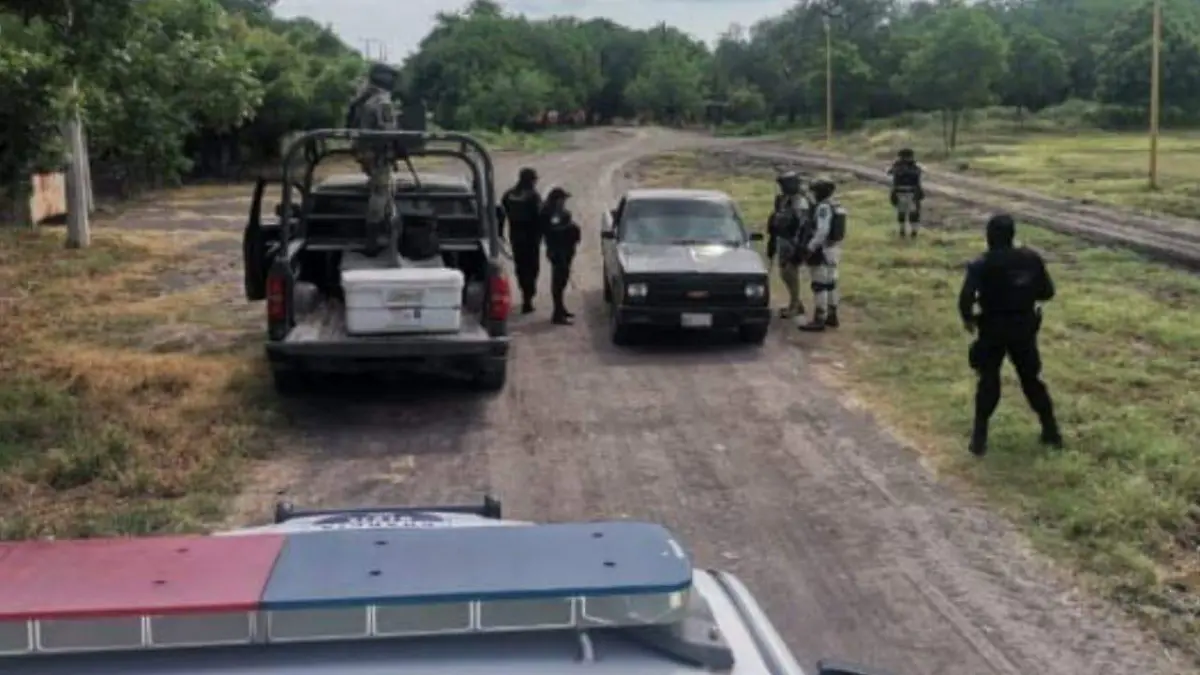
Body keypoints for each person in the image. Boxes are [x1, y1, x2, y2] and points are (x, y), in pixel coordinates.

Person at [958, 214, 1063, 456]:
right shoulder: (1031, 259)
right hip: (1023, 327)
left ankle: (979, 438)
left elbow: (965, 299)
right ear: (1012, 235)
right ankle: (1051, 432)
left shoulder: (982, 263)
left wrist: (969, 319)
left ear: (989, 236)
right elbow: (1047, 292)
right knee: (1031, 380)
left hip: (992, 327)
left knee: (988, 380)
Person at [346, 62, 402, 266]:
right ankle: (373, 239)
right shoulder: (382, 101)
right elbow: (388, 131)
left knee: (384, 191)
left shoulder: (366, 99)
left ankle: (384, 232)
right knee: (380, 193)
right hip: (378, 154)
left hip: (368, 152)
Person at [797, 177, 846, 332]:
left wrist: (810, 247)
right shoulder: (837, 205)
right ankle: (832, 315)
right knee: (831, 284)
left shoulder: (823, 207)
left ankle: (820, 318)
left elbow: (822, 231)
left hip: (822, 250)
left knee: (819, 285)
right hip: (834, 249)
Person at [765, 170, 810, 319]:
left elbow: (804, 225)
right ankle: (796, 302)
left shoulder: (800, 202)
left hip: (793, 241)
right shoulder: (783, 199)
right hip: (783, 239)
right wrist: (772, 239)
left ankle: (795, 305)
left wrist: (800, 246)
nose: (783, 187)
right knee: (784, 273)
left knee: (790, 273)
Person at [501, 167, 543, 313]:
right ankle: (528, 297)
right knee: (532, 268)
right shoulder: (533, 196)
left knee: (520, 267)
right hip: (531, 239)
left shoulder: (508, 195)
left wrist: (500, 233)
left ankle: (525, 294)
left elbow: (502, 213)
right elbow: (540, 217)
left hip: (516, 237)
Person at [541, 187, 581, 326]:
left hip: (565, 249)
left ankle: (561, 308)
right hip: (557, 251)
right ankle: (557, 314)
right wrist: (570, 228)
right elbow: (552, 231)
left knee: (562, 280)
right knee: (558, 281)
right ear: (557, 200)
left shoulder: (559, 212)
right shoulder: (550, 213)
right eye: (563, 199)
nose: (564, 202)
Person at [887, 148, 924, 239]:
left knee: (904, 213)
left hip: (904, 192)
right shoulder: (914, 167)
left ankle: (905, 231)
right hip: (909, 193)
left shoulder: (898, 167)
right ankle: (910, 231)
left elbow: (890, 172)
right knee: (911, 213)